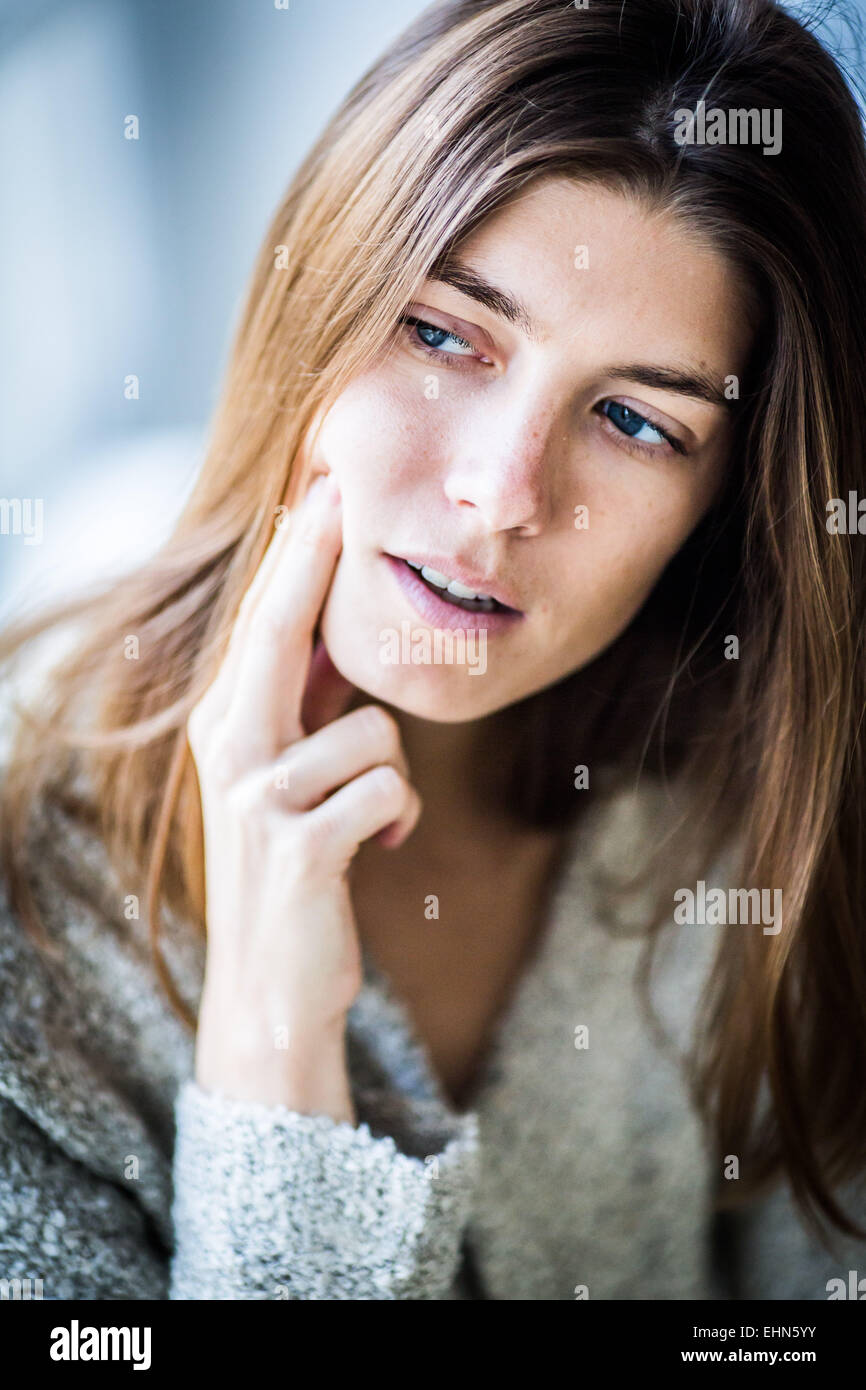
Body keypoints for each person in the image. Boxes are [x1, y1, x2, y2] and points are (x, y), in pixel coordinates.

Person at [2, 0, 866, 1300]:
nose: (503, 490)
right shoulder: (27, 917)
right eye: (443, 333)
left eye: (633, 420)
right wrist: (273, 1048)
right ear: (314, 302)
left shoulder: (761, 837)